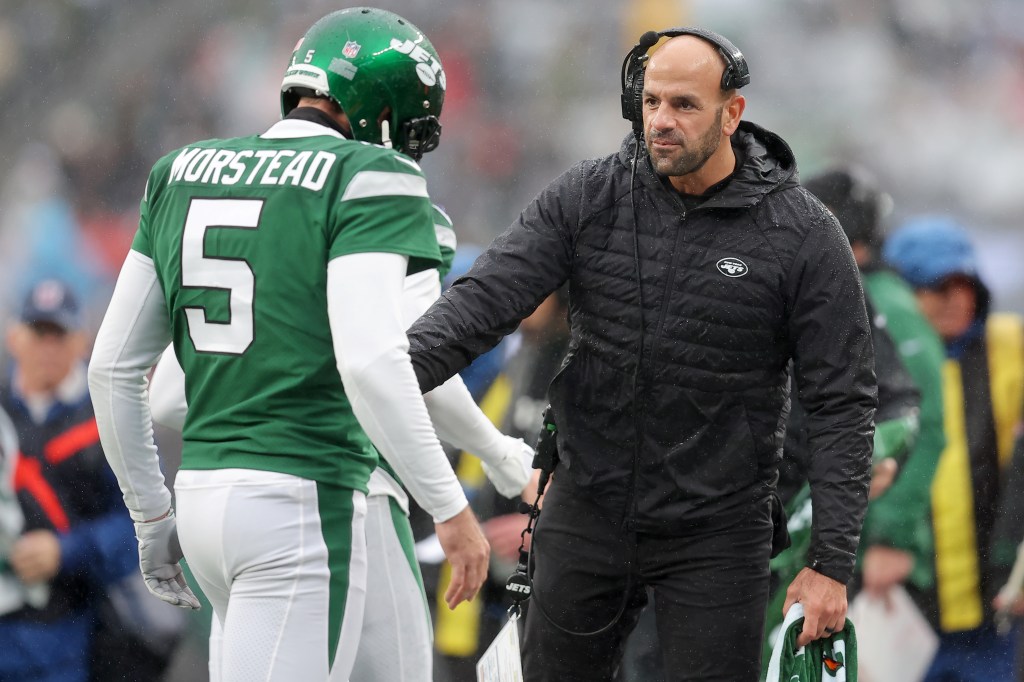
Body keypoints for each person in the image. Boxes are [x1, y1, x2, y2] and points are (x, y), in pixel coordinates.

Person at [405, 28, 877, 681]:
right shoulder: (587, 197)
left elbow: (843, 405)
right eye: (651, 101)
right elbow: (477, 309)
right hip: (587, 509)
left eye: (684, 104)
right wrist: (366, 384)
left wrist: (830, 562)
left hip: (718, 532)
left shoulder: (802, 234)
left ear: (731, 113)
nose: (661, 120)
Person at [87, 8, 491, 681]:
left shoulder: (180, 168)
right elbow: (370, 360)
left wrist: (151, 514)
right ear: (381, 109)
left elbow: (112, 370)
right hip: (304, 503)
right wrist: (451, 510)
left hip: (206, 496)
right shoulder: (370, 176)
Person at [147, 202, 535, 682]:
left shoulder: (268, 223)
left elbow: (164, 398)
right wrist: (504, 461)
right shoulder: (387, 212)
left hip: (218, 498)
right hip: (344, 496)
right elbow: (401, 371)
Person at [883, 216, 1024, 681]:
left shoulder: (1009, 346)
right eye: (939, 287)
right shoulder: (871, 361)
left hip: (995, 613)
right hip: (900, 610)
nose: (956, 300)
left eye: (966, 285)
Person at [804, 168, 946, 602]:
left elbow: (923, 425)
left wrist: (892, 538)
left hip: (866, 552)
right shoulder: (829, 289)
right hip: (835, 541)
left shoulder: (886, 303)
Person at [0, 280, 143, 682]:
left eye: (59, 335)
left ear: (81, 342)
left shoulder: (107, 419)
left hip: (68, 632)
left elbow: (139, 526)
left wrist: (65, 551)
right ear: (15, 337)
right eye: (38, 332)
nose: (48, 347)